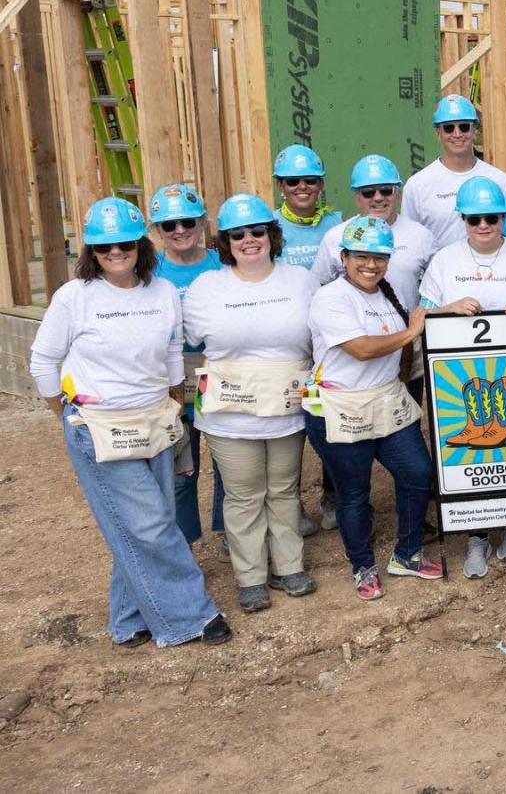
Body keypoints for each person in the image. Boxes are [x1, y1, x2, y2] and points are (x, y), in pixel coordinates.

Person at [29, 198, 231, 647]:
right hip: (100, 428)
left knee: (140, 523)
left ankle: (129, 619)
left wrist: (176, 413)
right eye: (104, 248)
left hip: (156, 419)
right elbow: (43, 361)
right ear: (91, 252)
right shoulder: (75, 297)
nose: (115, 253)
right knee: (152, 525)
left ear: (140, 243)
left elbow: (172, 355)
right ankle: (190, 618)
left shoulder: (159, 292)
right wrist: (65, 414)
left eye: (123, 243)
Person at [184, 193, 320, 613]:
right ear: (226, 241)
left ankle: (289, 566)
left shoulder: (300, 280)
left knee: (283, 490)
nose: (249, 240)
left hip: (286, 411)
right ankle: (250, 577)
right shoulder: (208, 287)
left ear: (271, 234)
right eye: (238, 234)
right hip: (231, 417)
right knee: (243, 495)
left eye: (257, 231)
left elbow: (320, 335)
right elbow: (188, 346)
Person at [419, 176, 506, 579]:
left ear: (503, 217)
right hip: (460, 378)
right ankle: (476, 535)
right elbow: (420, 315)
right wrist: (449, 307)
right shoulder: (445, 260)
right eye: (474, 218)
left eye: (491, 217)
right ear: (463, 218)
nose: (483, 225)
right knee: (474, 457)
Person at [305, 217, 439, 600]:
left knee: (417, 474)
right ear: (344, 257)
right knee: (353, 494)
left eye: (379, 257)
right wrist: (412, 332)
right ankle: (362, 566)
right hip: (341, 406)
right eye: (361, 256)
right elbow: (361, 349)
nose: (371, 265)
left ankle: (407, 553)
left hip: (384, 400)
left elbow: (398, 346)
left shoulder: (385, 293)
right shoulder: (331, 297)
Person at [147, 183, 227, 546]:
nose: (180, 230)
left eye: (188, 222)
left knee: (230, 462)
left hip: (220, 371)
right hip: (172, 381)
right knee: (183, 468)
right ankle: (185, 545)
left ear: (203, 222)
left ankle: (231, 532)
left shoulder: (221, 264)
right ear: (157, 231)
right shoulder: (150, 272)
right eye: (169, 225)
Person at [312, 155, 437, 311]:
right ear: (357, 197)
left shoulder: (421, 236)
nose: (378, 198)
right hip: (353, 332)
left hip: (408, 332)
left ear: (397, 194)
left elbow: (437, 287)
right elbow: (318, 287)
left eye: (386, 190)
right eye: (368, 192)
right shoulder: (335, 237)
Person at [402, 94, 506, 247]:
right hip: (437, 270)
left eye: (464, 126)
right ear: (438, 133)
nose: (457, 134)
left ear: (474, 129)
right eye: (449, 128)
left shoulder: (499, 181)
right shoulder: (418, 185)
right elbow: (410, 241)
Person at [270, 145, 343, 270]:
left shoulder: (337, 223)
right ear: (280, 186)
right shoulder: (268, 226)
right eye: (293, 181)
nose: (303, 186)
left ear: (321, 185)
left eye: (310, 180)